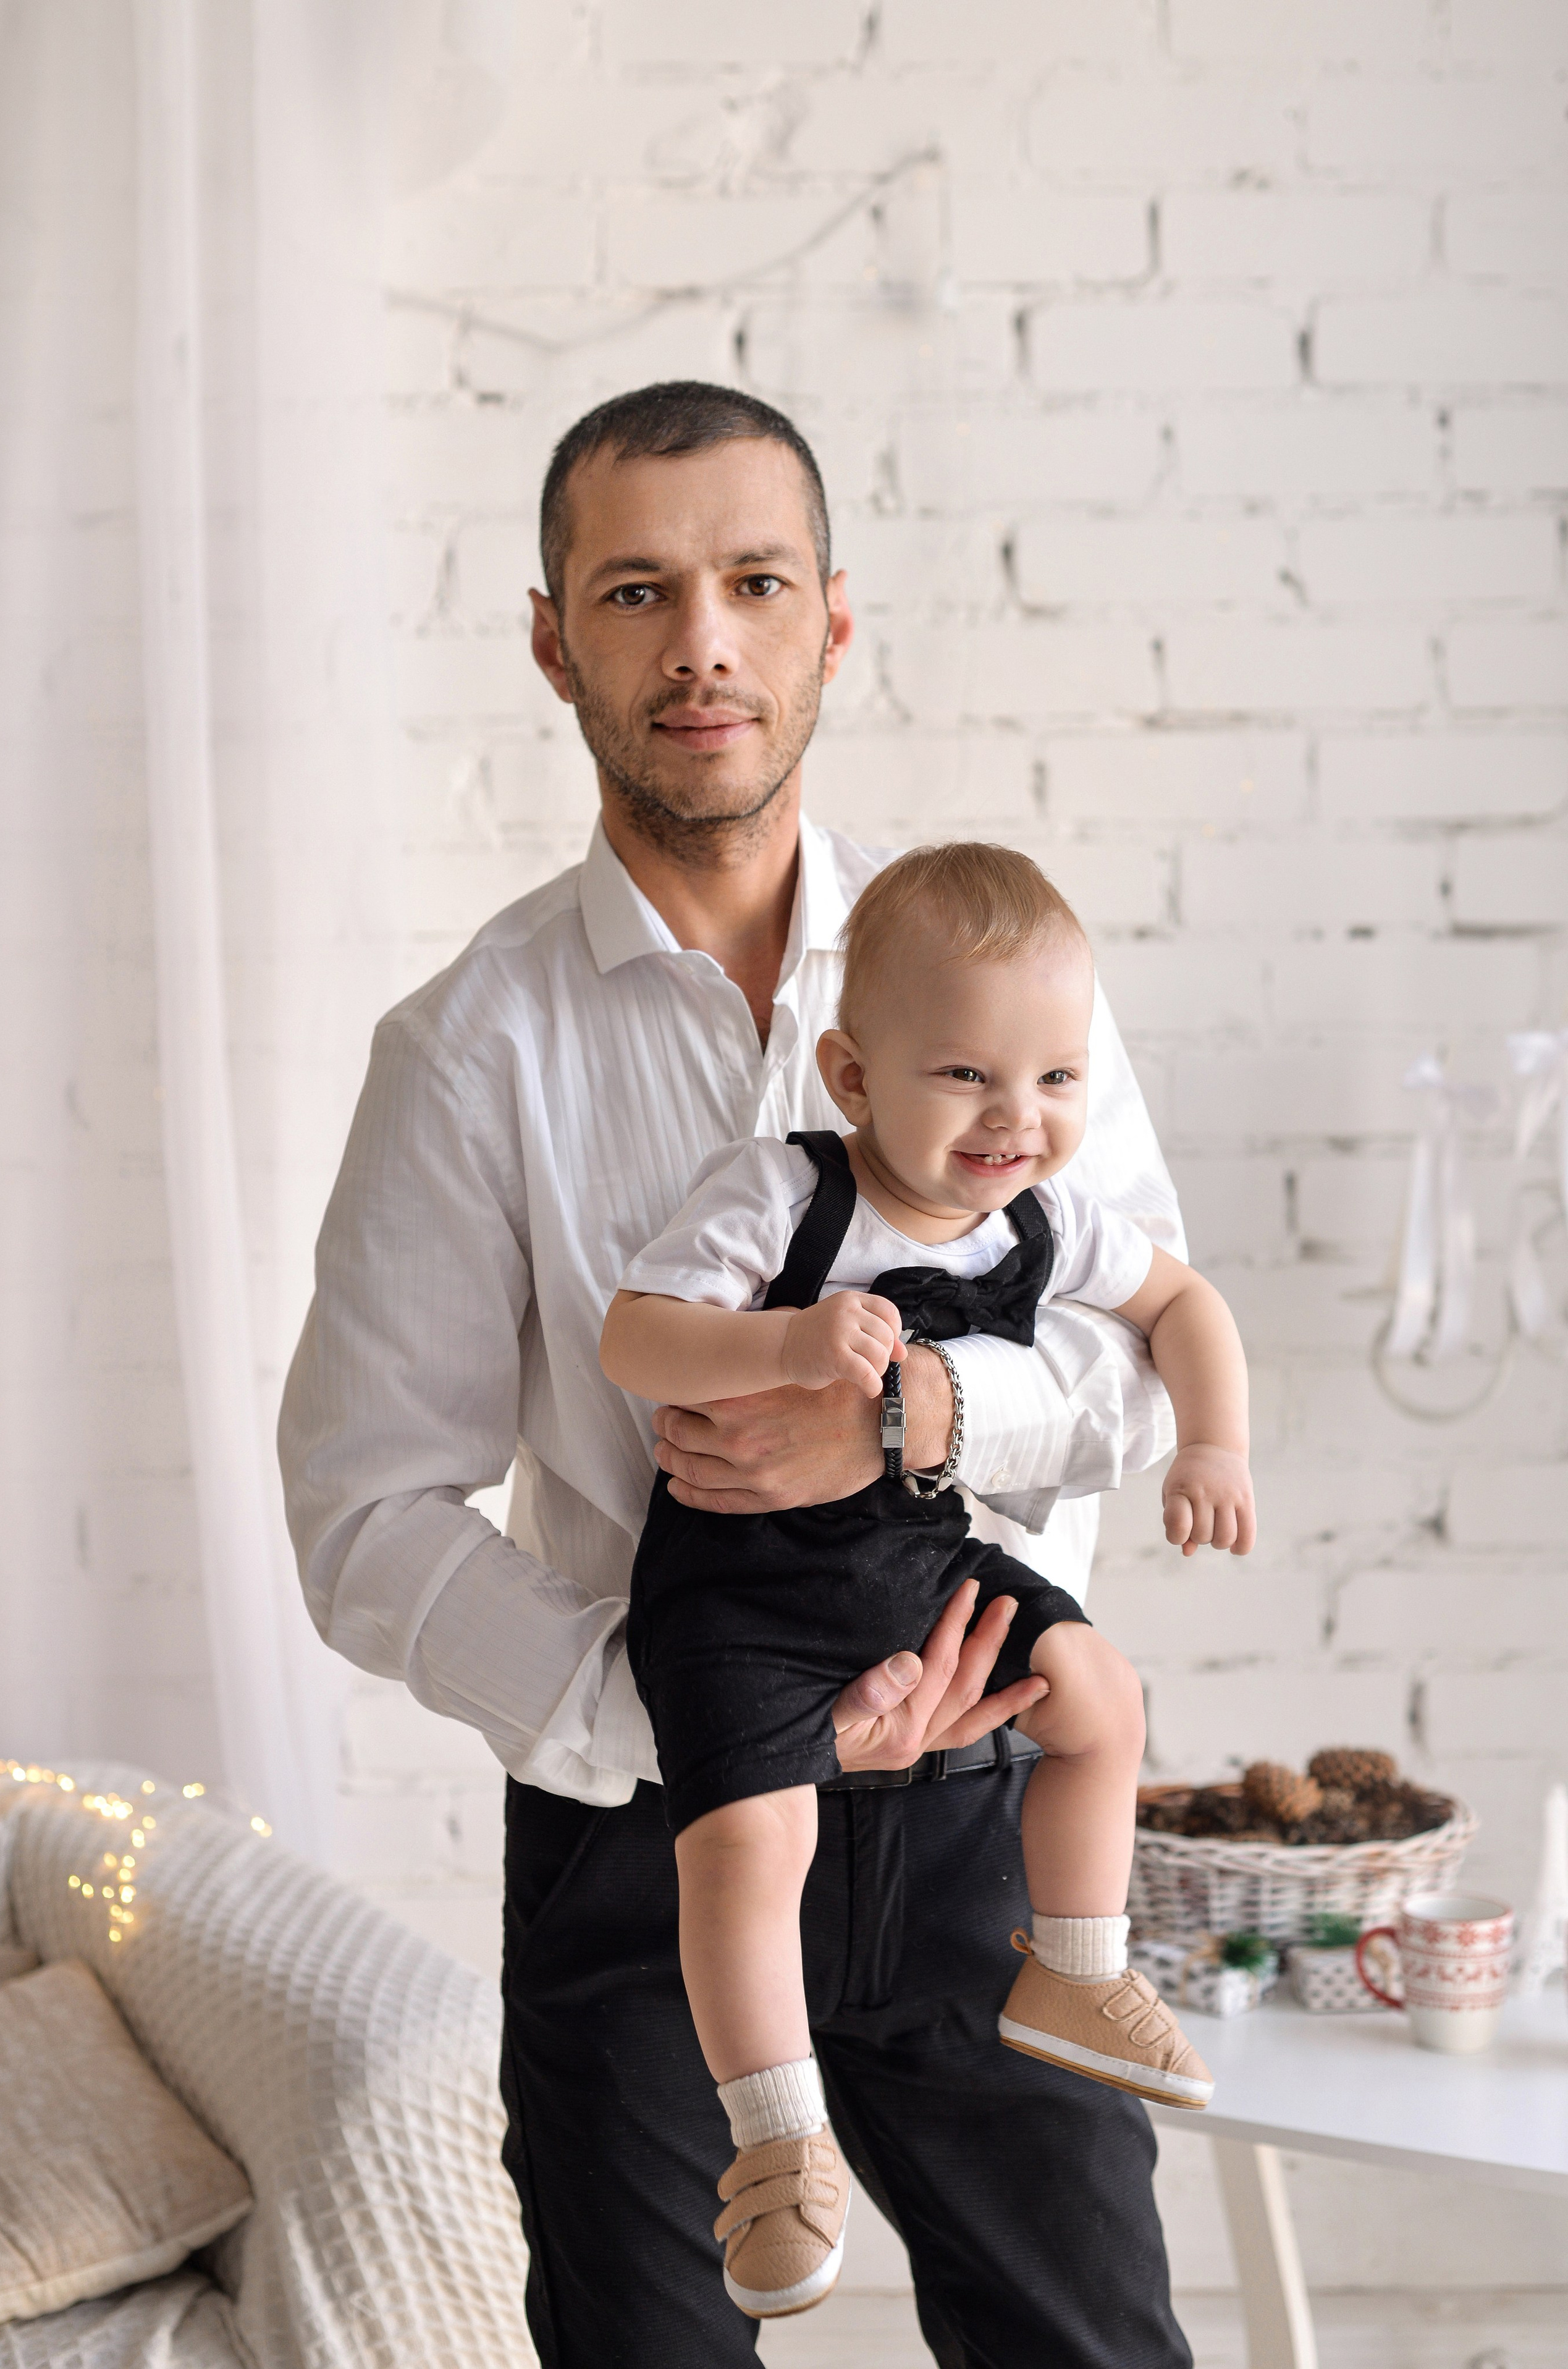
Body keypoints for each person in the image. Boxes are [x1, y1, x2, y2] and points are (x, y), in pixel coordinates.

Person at [279, 380, 1197, 2367]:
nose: (701, 641)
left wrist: (928, 1414)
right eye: (635, 590)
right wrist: (696, 1719)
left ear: (830, 625)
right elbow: (361, 1515)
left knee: (1098, 2347)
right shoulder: (468, 1050)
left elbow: (1142, 1363)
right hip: (646, 1826)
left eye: (753, 582)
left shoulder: (1013, 981)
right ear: (553, 638)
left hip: (984, 1818)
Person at [601, 840, 1252, 2317]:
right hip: (740, 1599)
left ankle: (1075, 1965)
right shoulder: (780, 1195)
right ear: (849, 1075)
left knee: (1095, 1697)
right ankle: (775, 2145)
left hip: (916, 1569)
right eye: (964, 1076)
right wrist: (777, 1344)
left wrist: (1210, 1441)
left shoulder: (1043, 1220)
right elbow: (631, 1339)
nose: (1015, 1120)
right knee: (745, 1849)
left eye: (1055, 1081)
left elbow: (1181, 1300)